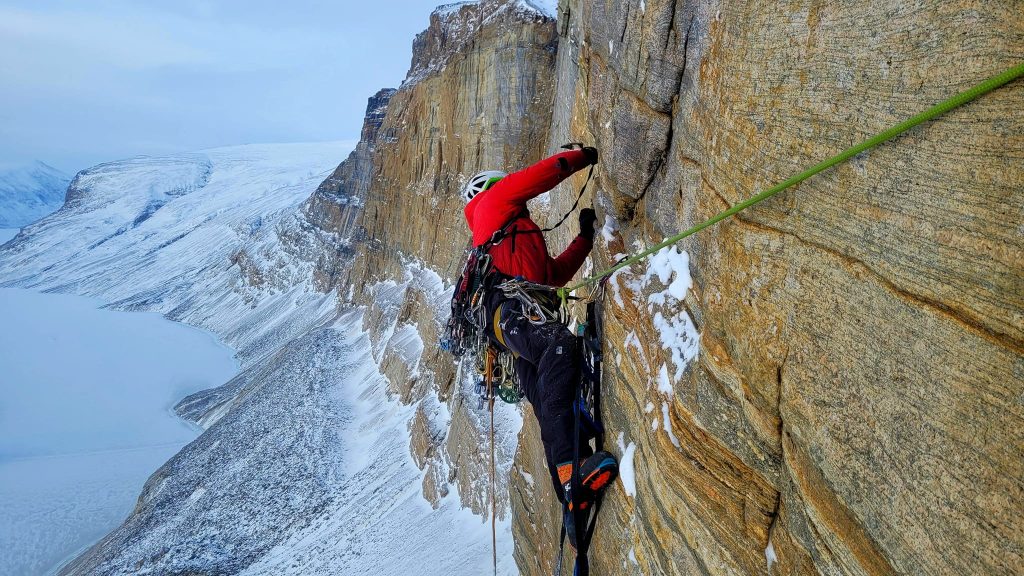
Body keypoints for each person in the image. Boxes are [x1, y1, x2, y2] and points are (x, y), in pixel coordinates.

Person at [461, 147, 618, 547]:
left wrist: (584, 239)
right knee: (560, 349)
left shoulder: (511, 237)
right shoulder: (493, 203)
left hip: (513, 321)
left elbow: (553, 275)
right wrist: (582, 156)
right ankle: (571, 473)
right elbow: (538, 176)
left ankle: (572, 500)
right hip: (510, 309)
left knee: (551, 394)